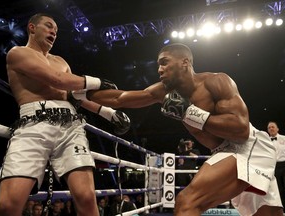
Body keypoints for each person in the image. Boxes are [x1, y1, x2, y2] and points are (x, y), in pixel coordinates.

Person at [79, 43, 283, 215]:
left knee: (187, 202)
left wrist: (189, 112)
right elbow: (119, 98)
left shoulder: (217, 81)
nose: (159, 69)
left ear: (185, 62)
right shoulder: (163, 92)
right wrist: (78, 93)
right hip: (225, 151)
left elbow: (240, 130)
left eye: (164, 62)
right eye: (159, 64)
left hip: (249, 145)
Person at [0, 13, 130, 216]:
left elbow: (74, 94)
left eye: (56, 31)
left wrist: (107, 112)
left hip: (69, 127)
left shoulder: (60, 61)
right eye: (49, 27)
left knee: (86, 198)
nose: (53, 32)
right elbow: (56, 80)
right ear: (32, 28)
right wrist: (96, 81)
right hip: (32, 126)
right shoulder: (18, 53)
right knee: (9, 205)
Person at [267, 121, 285, 212]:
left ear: (277, 129)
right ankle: (282, 209)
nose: (271, 129)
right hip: (273, 166)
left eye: (273, 127)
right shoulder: (266, 141)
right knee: (278, 188)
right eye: (269, 127)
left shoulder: (284, 138)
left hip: (284, 164)